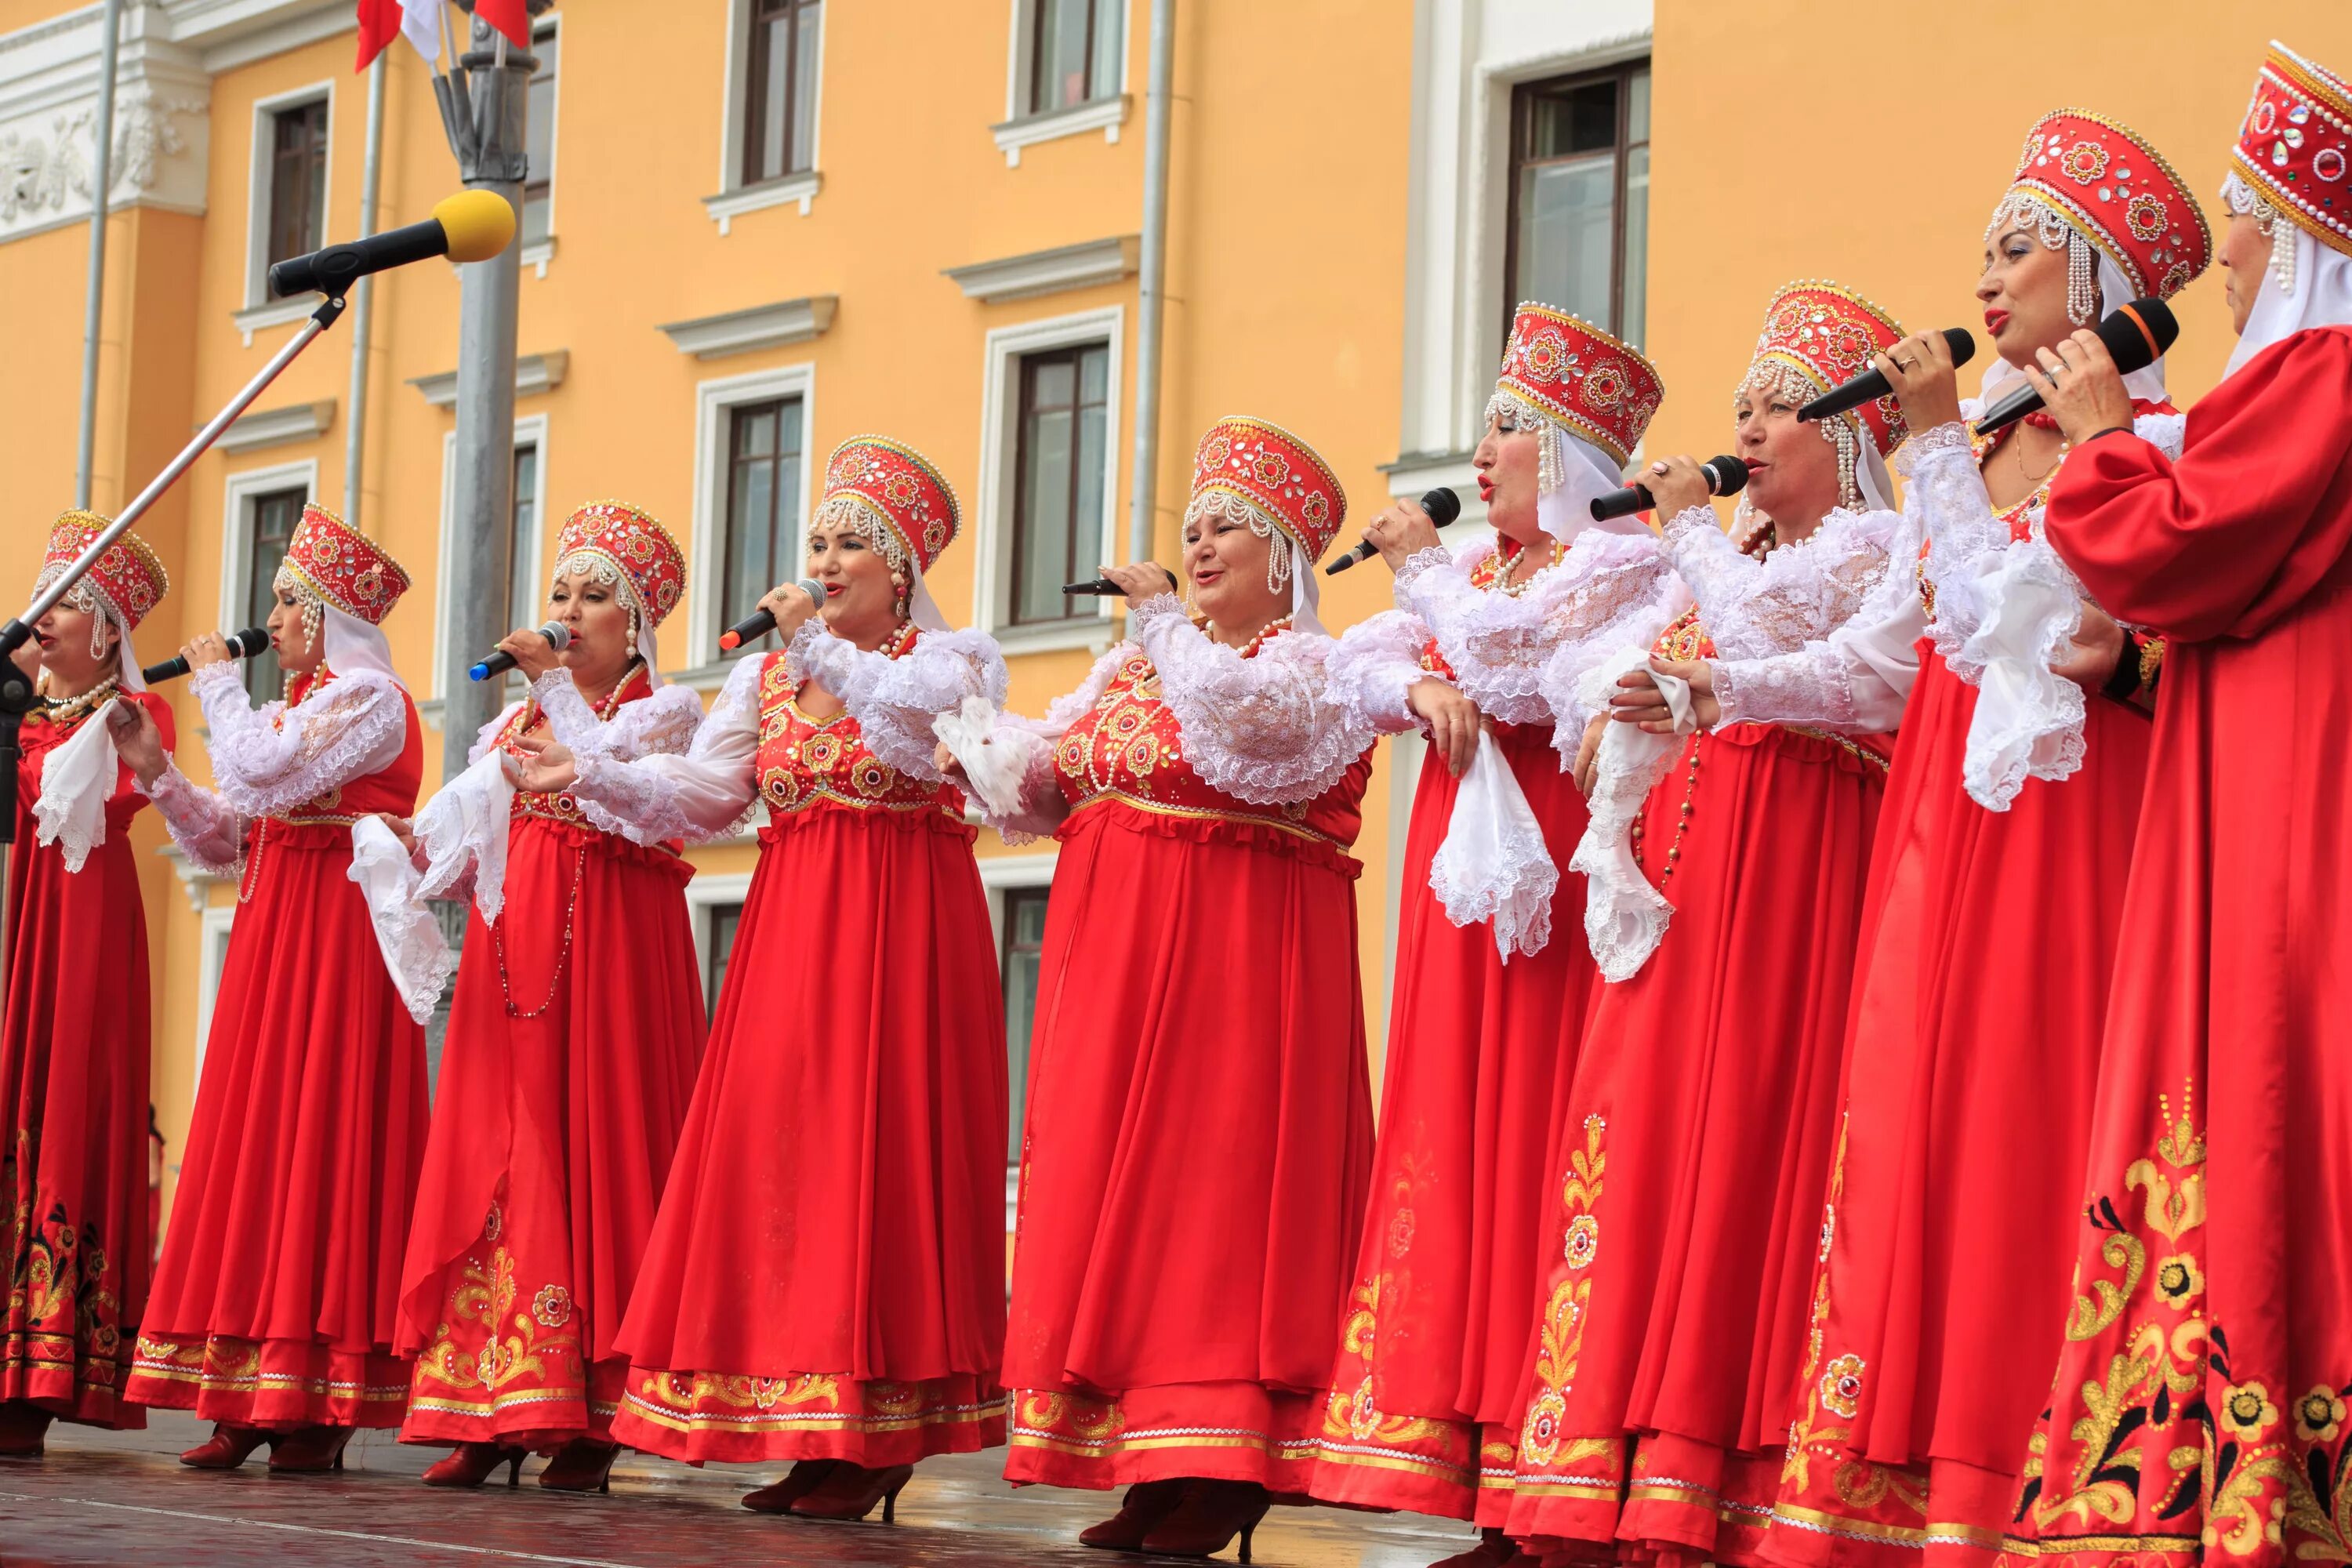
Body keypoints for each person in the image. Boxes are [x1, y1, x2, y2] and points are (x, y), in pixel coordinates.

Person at [1635, 114, 2209, 1568]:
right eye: (1987, 250)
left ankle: (2028, 1468)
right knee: (1918, 1103)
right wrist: (1718, 687)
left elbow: (2009, 612)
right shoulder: (1991, 444)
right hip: (1943, 818)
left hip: (2065, 827)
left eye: (2019, 249)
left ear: (2096, 277)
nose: (1989, 275)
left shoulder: (2153, 442)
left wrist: (1945, 439)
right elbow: (1904, 653)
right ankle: (1908, 1482)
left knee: (2031, 1096)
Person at [1993, 43, 2352, 1568]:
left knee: (2272, 1072)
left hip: (2294, 794)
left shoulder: (2324, 371)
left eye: (2245, 218)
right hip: (2264, 750)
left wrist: (2096, 437)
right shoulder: (2291, 387)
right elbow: (2239, 598)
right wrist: (2141, 676)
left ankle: (2262, 1472)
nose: (2233, 252)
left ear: (2302, 232)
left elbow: (2182, 547)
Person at [517, 438, 1010, 1523]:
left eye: (850, 546)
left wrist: (811, 644)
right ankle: (806, 1424)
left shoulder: (955, 661)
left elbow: (911, 733)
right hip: (791, 930)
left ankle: (873, 1432)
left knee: (876, 1156)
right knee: (785, 1162)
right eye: (818, 544)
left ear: (901, 565)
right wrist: (593, 767)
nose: (827, 563)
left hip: (902, 936)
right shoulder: (767, 673)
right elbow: (706, 791)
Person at [1503, 283, 1910, 1568]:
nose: (1744, 419)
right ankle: (1596, 1476)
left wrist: (1689, 536)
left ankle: (1707, 1472)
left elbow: (1758, 650)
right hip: (1685, 880)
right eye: (1744, 399)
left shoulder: (1859, 552)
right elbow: (1611, 672)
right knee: (1638, 1132)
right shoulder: (1736, 557)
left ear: (1844, 437)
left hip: (1789, 864)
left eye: (1778, 403)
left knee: (1741, 1130)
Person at [956, 416, 1376, 1562]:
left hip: (1234, 975)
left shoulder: (1307, 667)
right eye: (1190, 529)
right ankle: (1148, 1448)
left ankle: (1228, 1449)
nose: (1199, 546)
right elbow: (1053, 776)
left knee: (1213, 1195)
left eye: (1227, 526)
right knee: (1109, 1193)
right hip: (1113, 967)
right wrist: (970, 734)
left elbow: (1244, 731)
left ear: (1285, 554)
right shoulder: (1139, 663)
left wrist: (1152, 621)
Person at [1308, 307, 1678, 1566]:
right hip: (1463, 873)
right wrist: (1414, 681)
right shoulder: (1483, 580)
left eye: (1512, 428)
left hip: (1560, 874)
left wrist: (1427, 592)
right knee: (1454, 1132)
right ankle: (1483, 1479)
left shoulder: (1624, 561)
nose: (1484, 453)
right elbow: (1350, 668)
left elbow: (1523, 672)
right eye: (1486, 427)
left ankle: (1556, 1481)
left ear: (1572, 455)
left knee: (1540, 1130)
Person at [391, 502, 707, 1492]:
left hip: (611, 939)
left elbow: (617, 780)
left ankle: (591, 1408)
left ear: (638, 623)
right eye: (562, 592)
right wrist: (412, 855)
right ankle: (489, 1397)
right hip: (511, 943)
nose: (571, 610)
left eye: (595, 596)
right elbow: (473, 832)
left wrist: (548, 681)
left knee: (591, 1135)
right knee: (497, 1141)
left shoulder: (668, 709)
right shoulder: (511, 719)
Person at [120, 505, 428, 1475]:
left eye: (291, 600)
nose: (276, 616)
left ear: (334, 612)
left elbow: (256, 774)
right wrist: (156, 770)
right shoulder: (301, 705)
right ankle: (248, 1385)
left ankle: (317, 1391)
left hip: (335, 940)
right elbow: (230, 830)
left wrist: (215, 676)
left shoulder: (373, 697)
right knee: (260, 1139)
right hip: (273, 931)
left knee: (323, 1138)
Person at [0, 515, 177, 1455]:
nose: (44, 615)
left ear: (110, 625)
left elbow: (82, 799)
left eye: (66, 599)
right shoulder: (20, 713)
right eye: (43, 595)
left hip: (81, 930)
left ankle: (41, 1366)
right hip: (15, 919)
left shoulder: (141, 719)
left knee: (61, 1097)